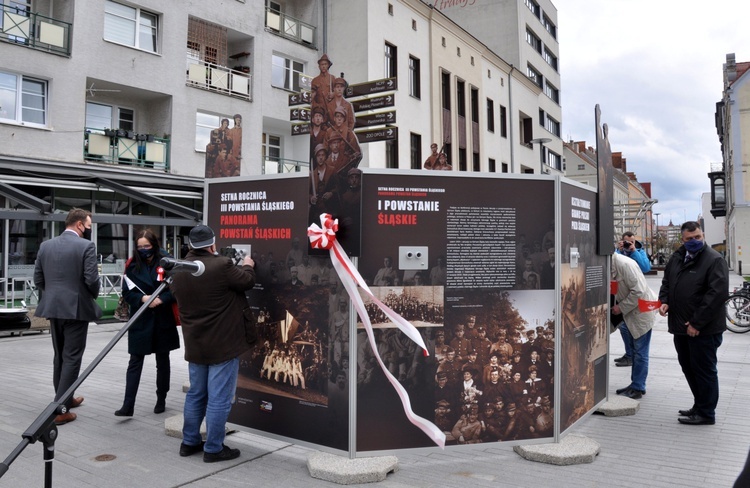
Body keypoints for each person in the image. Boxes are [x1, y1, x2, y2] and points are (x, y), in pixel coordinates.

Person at [169, 224, 256, 461]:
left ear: (190, 246)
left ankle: (189, 442)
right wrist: (248, 265)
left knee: (196, 394)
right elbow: (246, 282)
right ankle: (214, 448)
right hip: (223, 345)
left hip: (196, 344)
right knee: (219, 398)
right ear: (212, 244)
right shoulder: (222, 265)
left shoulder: (178, 270)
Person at [33, 208, 102, 425]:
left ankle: (66, 398)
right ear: (80, 224)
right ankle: (61, 409)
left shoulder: (46, 245)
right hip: (76, 308)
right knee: (72, 357)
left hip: (53, 307)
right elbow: (91, 279)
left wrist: (53, 295)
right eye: (89, 226)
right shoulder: (86, 246)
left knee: (60, 356)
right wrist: (89, 296)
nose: (89, 230)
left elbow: (38, 278)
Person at [658, 221, 728, 425]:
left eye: (697, 237)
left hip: (703, 330)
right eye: (689, 239)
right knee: (688, 367)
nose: (694, 241)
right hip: (680, 327)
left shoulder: (714, 260)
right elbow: (667, 282)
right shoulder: (677, 257)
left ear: (703, 235)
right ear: (683, 239)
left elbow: (717, 294)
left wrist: (696, 323)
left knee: (704, 370)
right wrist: (665, 301)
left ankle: (707, 413)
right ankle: (699, 405)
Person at [116, 229, 180, 416]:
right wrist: (143, 299)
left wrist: (163, 299)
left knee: (163, 360)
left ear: (154, 244)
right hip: (141, 319)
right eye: (140, 246)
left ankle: (161, 398)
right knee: (135, 361)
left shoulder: (167, 262)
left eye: (147, 246)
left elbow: (177, 287)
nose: (143, 250)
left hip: (162, 318)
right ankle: (128, 405)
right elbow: (127, 292)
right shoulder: (132, 264)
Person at [611, 253, 656, 399]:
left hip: (640, 312)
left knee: (640, 351)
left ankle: (638, 387)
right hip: (630, 313)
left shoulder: (625, 265)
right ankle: (635, 384)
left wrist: (620, 308)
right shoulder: (612, 263)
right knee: (635, 349)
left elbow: (639, 292)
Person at [614, 231, 652, 367]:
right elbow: (612, 266)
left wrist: (634, 251)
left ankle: (631, 355)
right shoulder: (618, 253)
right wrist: (619, 250)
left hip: (637, 297)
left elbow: (646, 268)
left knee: (632, 329)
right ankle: (629, 353)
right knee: (624, 327)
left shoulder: (639, 251)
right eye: (626, 242)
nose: (629, 244)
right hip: (622, 295)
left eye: (632, 241)